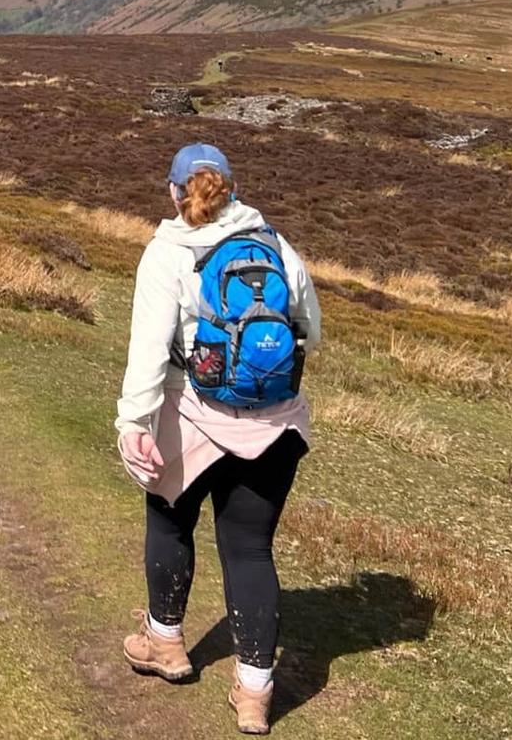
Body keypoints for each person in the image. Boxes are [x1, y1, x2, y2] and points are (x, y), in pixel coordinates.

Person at [115, 142, 321, 736]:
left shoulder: (165, 254)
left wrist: (134, 422)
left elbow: (150, 353)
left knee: (170, 521)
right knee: (250, 549)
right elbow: (311, 330)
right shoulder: (275, 243)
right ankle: (255, 694)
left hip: (192, 414)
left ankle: (165, 642)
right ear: (230, 186)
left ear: (174, 191)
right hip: (275, 425)